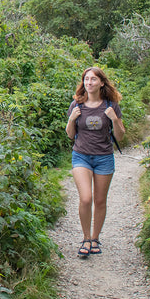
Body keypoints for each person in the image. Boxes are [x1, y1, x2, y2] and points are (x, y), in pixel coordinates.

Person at [65, 67, 125, 258]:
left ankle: (95, 238)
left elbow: (120, 136)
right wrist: (71, 119)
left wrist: (114, 119)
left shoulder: (111, 106)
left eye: (93, 79)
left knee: (100, 200)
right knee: (86, 198)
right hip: (81, 155)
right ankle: (85, 238)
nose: (89, 83)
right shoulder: (77, 105)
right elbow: (70, 134)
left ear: (101, 83)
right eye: (86, 79)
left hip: (104, 157)